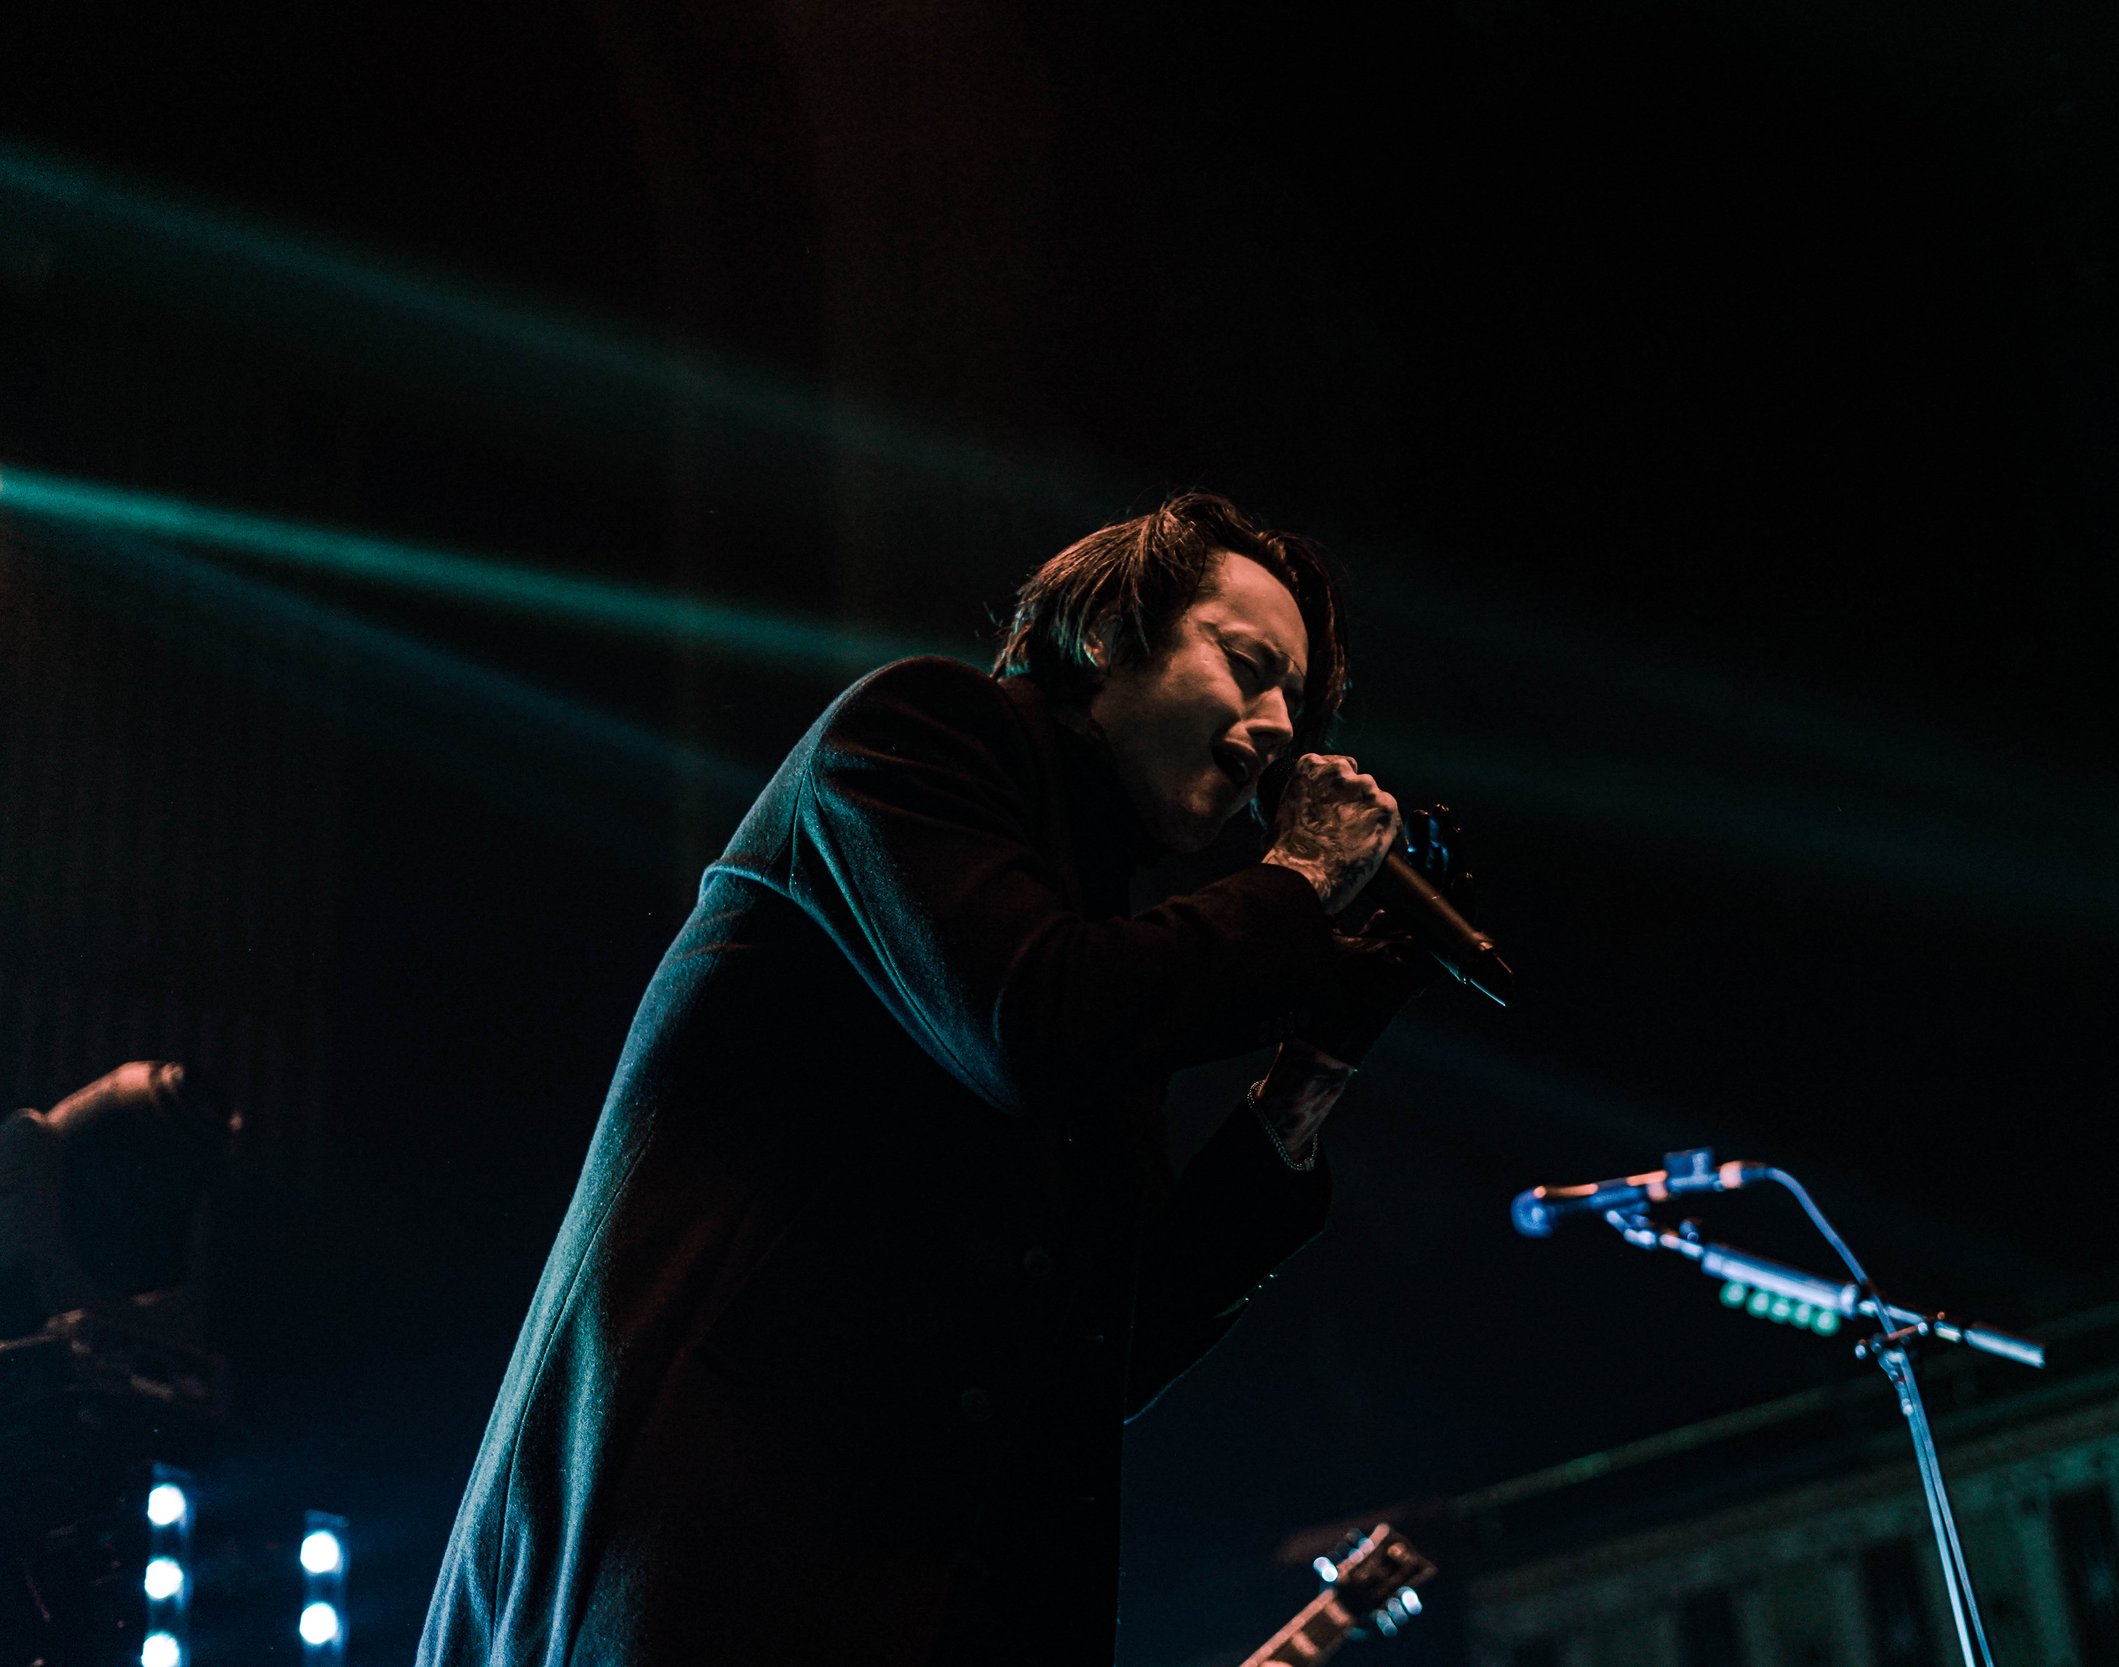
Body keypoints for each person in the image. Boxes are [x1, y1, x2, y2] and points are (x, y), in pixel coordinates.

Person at [419, 493, 1437, 1664]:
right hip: (726, 1555)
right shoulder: (918, 737)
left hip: (920, 1590)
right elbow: (1032, 1023)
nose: (1276, 733)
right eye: (1249, 667)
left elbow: (1109, 1342)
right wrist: (1300, 878)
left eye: (1297, 705)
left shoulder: (1107, 946)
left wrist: (1308, 1074)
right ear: (1108, 632)